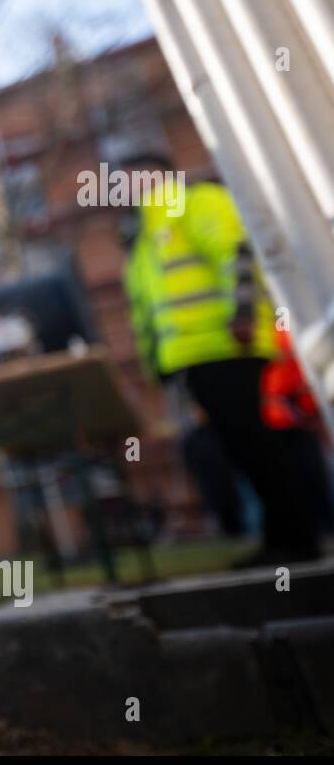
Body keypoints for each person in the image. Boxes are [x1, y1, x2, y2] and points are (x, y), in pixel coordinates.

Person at [120, 152, 327, 564]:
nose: (133, 186)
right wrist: (156, 365)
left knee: (259, 445)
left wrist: (244, 313)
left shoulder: (196, 204)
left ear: (165, 175)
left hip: (231, 346)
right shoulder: (144, 238)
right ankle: (281, 539)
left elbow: (238, 251)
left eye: (140, 176)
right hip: (192, 358)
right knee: (241, 449)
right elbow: (147, 312)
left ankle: (299, 540)